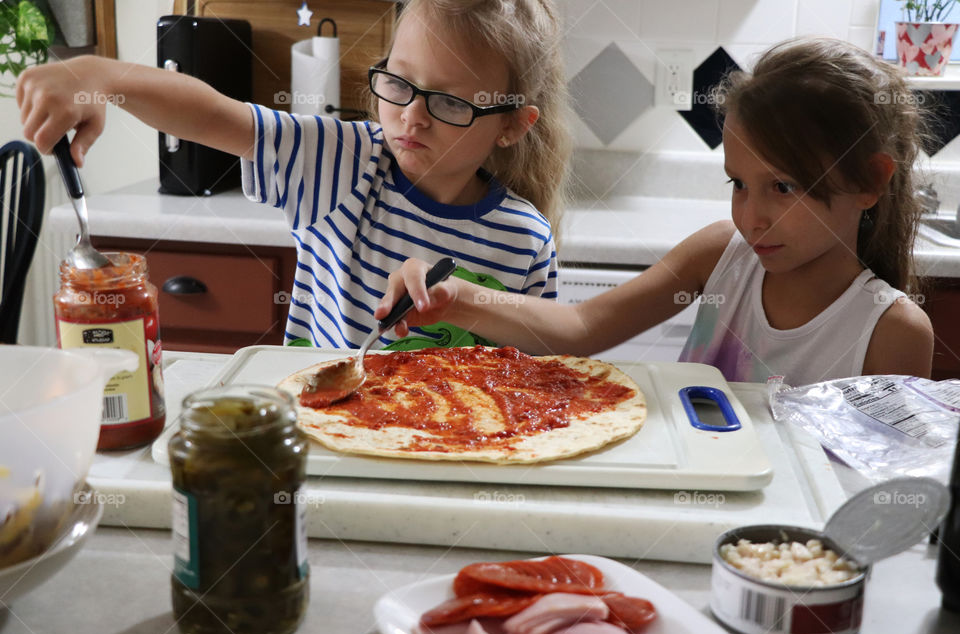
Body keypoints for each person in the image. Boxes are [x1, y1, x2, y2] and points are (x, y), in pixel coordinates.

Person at [16, 0, 572, 349]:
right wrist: (99, 75)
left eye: (450, 103)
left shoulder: (524, 240)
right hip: (322, 436)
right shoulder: (342, 162)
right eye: (399, 83)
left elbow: (544, 366)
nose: (411, 115)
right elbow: (217, 115)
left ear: (511, 125)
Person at [379, 38, 935, 386]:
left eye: (783, 187)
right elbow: (580, 327)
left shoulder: (891, 330)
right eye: (738, 184)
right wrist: (459, 296)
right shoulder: (721, 256)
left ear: (869, 182)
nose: (753, 216)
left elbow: (874, 489)